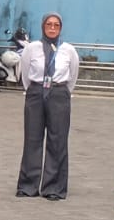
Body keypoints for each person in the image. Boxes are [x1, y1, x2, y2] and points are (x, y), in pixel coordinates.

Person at [17, 13, 78, 200]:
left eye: (56, 25)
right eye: (49, 24)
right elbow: (25, 73)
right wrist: (34, 91)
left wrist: (59, 91)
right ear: (43, 26)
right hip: (35, 94)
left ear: (61, 27)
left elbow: (73, 76)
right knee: (32, 139)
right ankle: (28, 185)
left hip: (59, 94)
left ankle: (54, 187)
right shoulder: (32, 48)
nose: (52, 28)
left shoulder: (68, 50)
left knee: (57, 141)